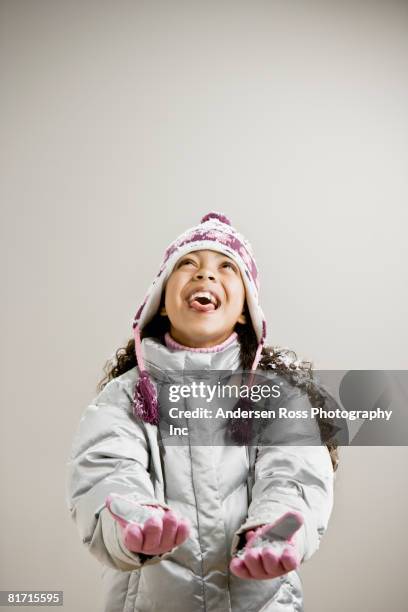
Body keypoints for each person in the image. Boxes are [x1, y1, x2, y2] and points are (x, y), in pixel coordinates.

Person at [66, 212, 338, 612]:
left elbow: (293, 474)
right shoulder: (124, 398)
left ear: (246, 310)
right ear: (159, 303)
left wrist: (274, 529)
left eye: (226, 267)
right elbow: (106, 469)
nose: (206, 275)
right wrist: (131, 516)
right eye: (188, 265)